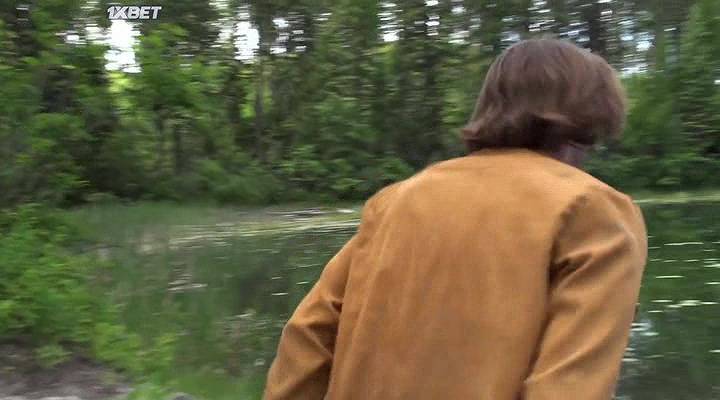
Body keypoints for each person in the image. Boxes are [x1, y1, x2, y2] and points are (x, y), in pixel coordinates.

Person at [263, 38, 648, 400]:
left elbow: (308, 337)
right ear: (594, 115)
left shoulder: (396, 201)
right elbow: (569, 387)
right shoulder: (592, 211)